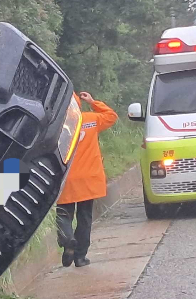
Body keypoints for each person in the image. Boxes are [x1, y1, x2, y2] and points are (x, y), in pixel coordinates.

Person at [56, 91, 118, 267]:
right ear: (78, 104)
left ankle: (68, 240)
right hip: (89, 179)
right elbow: (111, 116)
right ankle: (80, 257)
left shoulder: (58, 126)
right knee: (84, 218)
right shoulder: (91, 119)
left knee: (63, 213)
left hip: (66, 179)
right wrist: (93, 101)